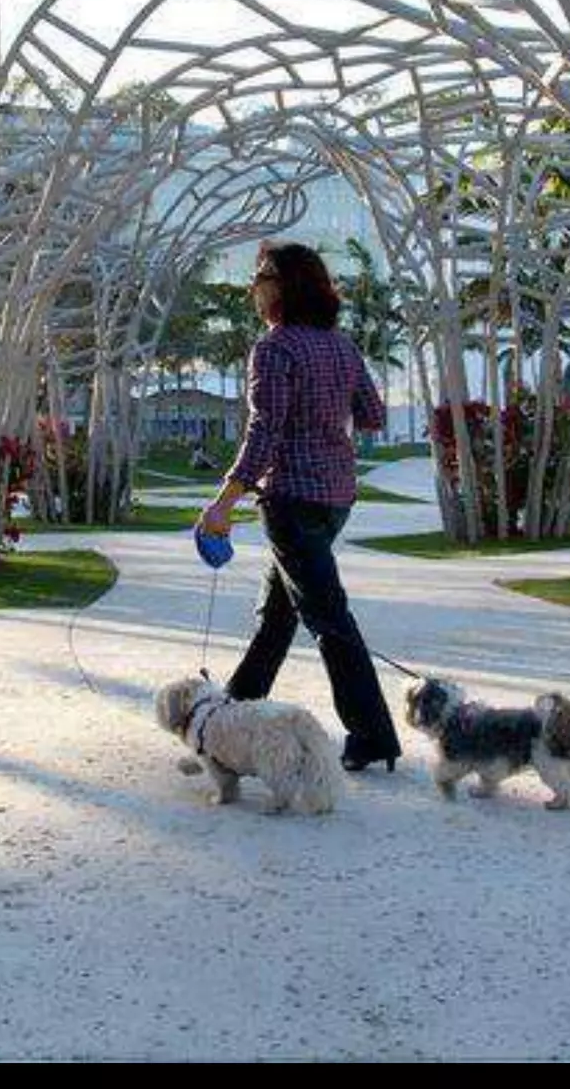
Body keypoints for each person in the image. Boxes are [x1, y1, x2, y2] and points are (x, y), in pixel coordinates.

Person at [197, 242, 402, 772]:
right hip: (336, 497)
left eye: (262, 276)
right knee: (277, 618)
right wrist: (327, 414)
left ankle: (373, 735)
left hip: (291, 499)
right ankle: (231, 720)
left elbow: (264, 432)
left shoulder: (275, 348)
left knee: (328, 618)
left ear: (286, 287)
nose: (254, 286)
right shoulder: (341, 346)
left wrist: (222, 504)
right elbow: (373, 415)